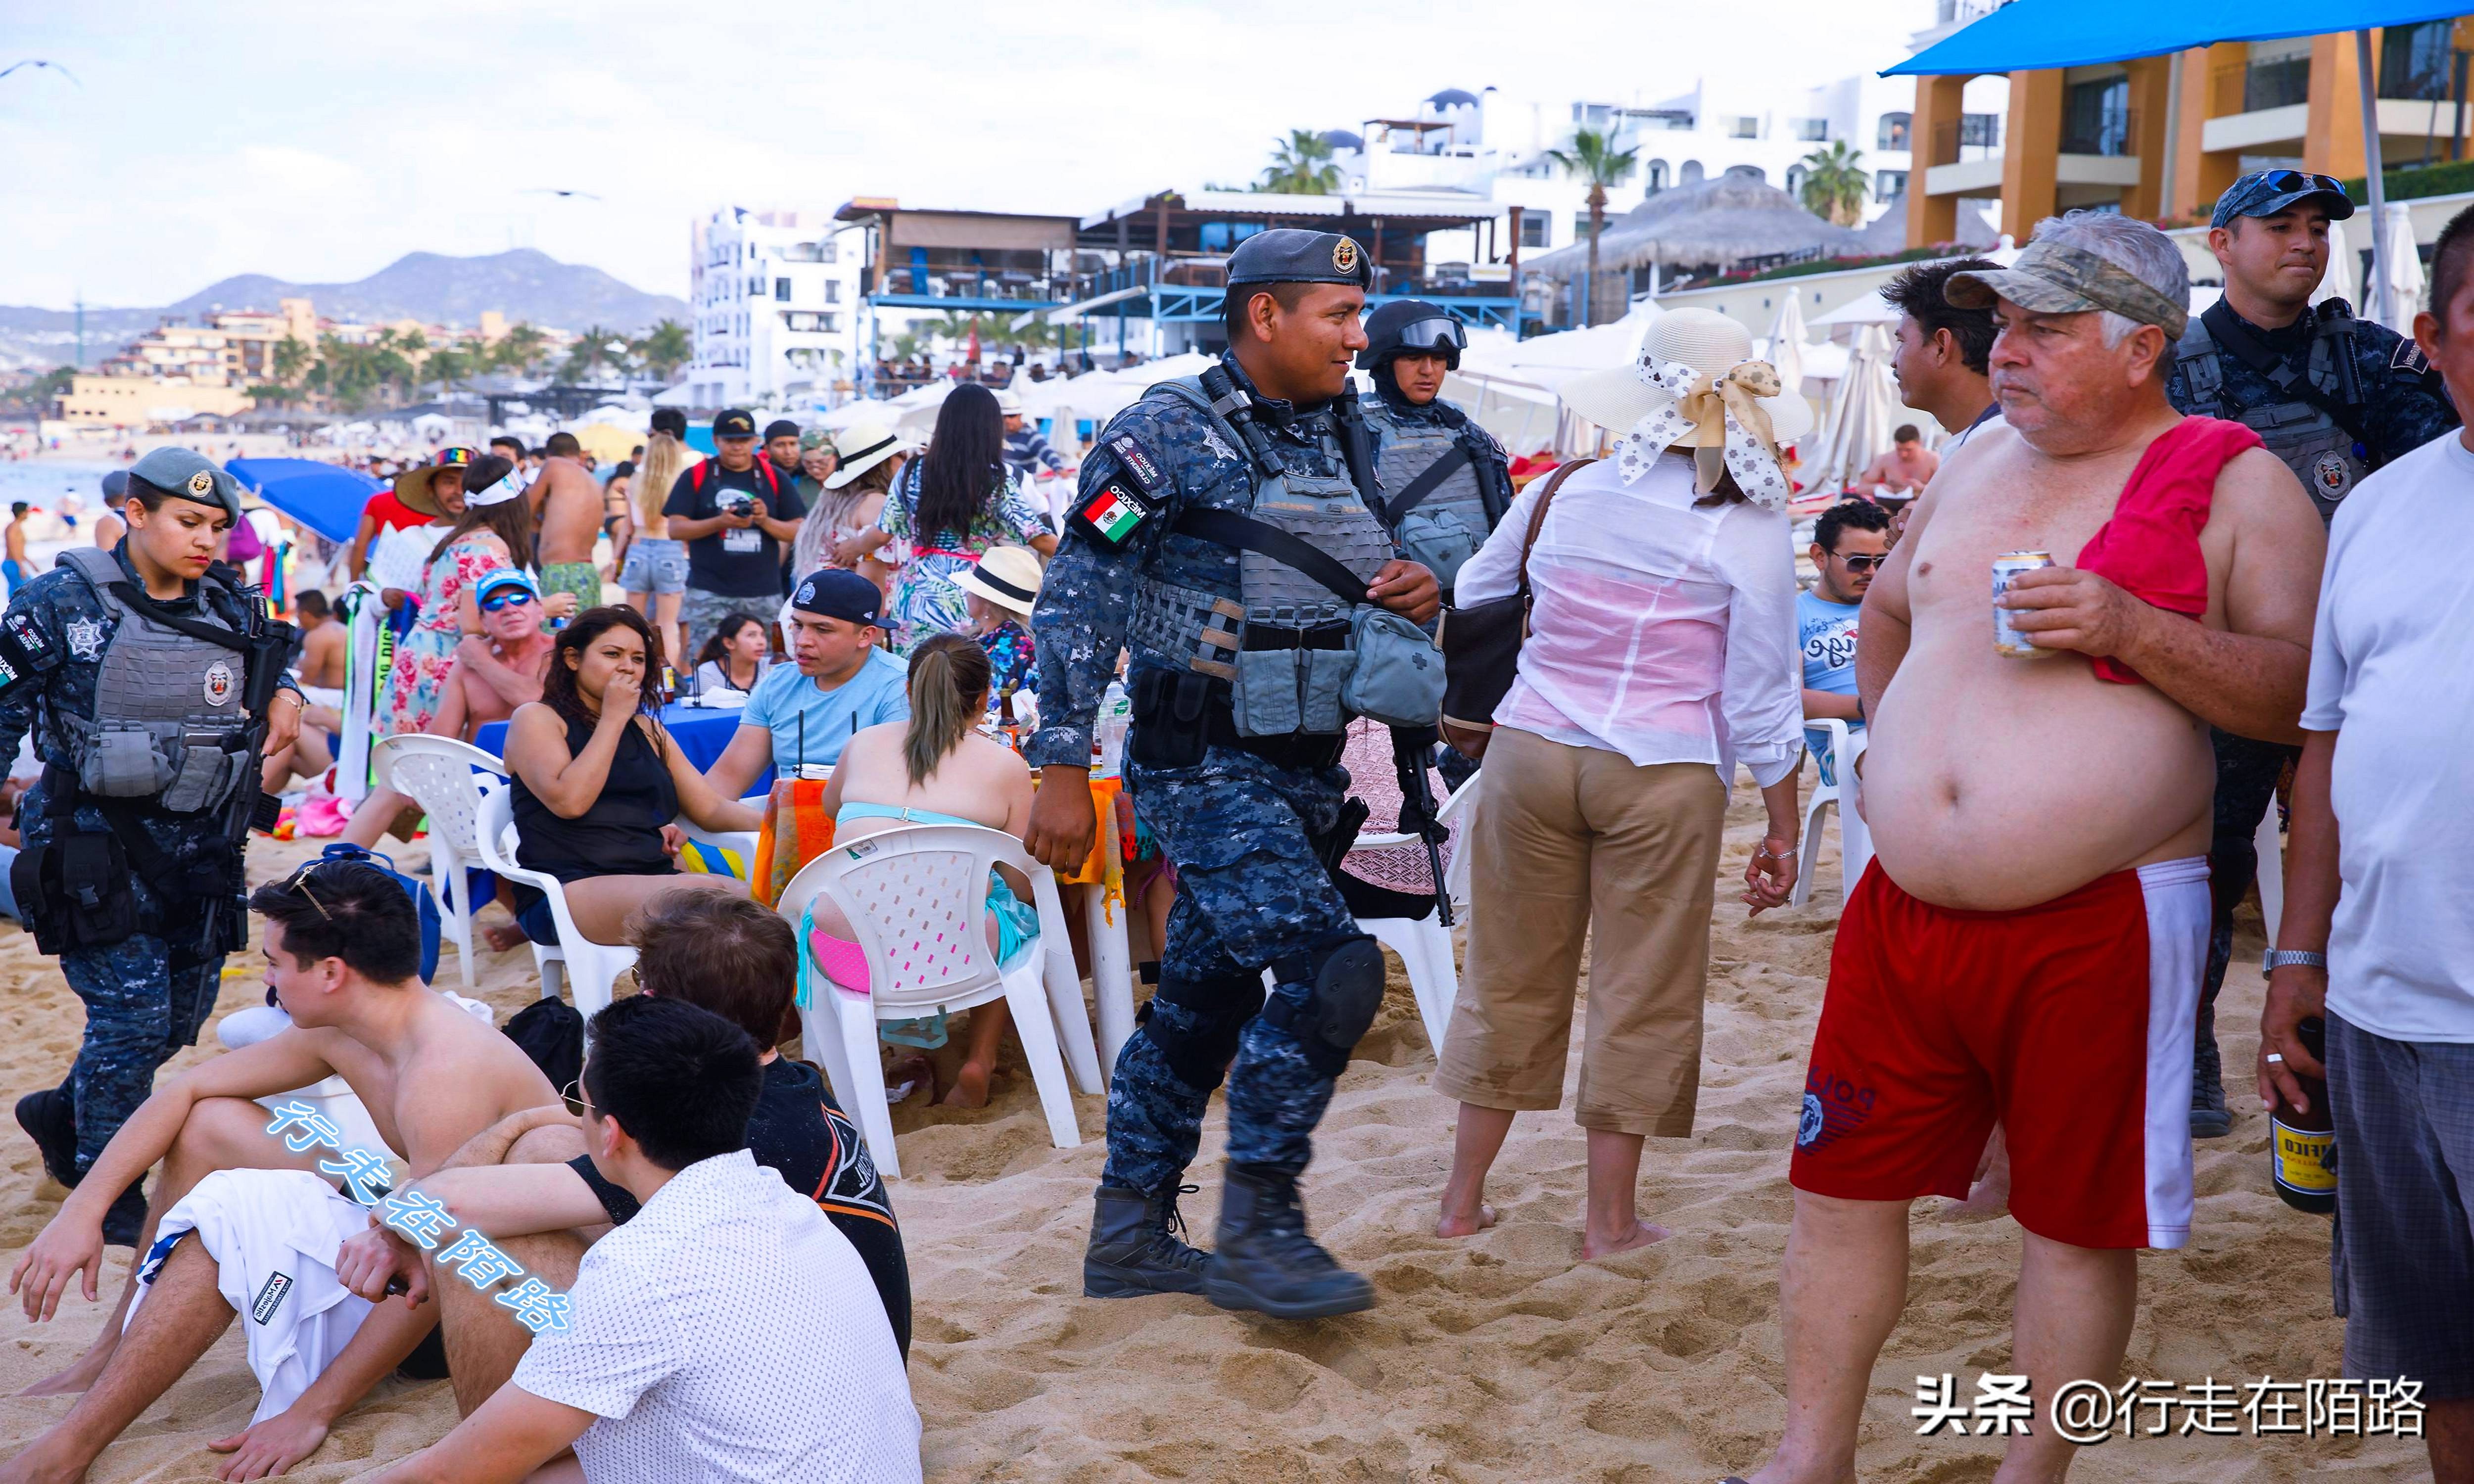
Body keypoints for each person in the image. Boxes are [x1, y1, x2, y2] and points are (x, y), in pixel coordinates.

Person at [1739, 213, 2326, 1484]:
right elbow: (1889, 611)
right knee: (1838, 1182)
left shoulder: (2233, 479)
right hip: (1903, 906)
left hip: (2102, 909)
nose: (2003, 351)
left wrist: (2132, 625)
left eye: (2042, 329)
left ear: (2140, 347)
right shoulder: (1976, 456)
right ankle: (1811, 1454)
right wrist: (1908, 774)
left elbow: (2297, 698)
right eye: (1999, 324)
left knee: (2073, 1217)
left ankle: (2028, 1475)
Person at [1027, 227, 1441, 1320]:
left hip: (1309, 766)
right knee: (1333, 973)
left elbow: (1363, 566)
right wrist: (1060, 763)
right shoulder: (1163, 430)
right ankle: (1261, 1228)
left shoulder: (1350, 434)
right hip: (1198, 758)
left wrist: (1413, 590)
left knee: (1203, 1007)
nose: (1362, 338)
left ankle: (1129, 1236)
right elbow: (1081, 594)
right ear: (1266, 316)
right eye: (1339, 318)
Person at [1430, 307, 1806, 1259]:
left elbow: (1476, 593)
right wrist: (1784, 821)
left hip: (1531, 750)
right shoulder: (1748, 524)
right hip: (1664, 767)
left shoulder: (1565, 489)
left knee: (1508, 976)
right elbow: (1763, 687)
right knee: (1643, 990)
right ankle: (1609, 1224)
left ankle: (1462, 1205)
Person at [0, 860, 562, 1483]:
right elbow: (185, 1093)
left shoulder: (444, 1075)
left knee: (231, 1219)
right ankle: (112, 1347)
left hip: (484, 1306)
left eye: (274, 963)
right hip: (422, 1225)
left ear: (330, 973)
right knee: (212, 1121)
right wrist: (84, 1210)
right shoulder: (353, 1026)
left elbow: (437, 1268)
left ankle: (71, 1447)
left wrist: (314, 1411)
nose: (266, 980)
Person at [2167, 168, 2465, 1141]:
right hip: (2236, 662)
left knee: (2370, 849)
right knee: (2204, 865)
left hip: (2367, 653)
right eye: (2278, 226)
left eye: (2315, 229)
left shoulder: (2374, 360)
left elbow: (2442, 465)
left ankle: (2339, 1056)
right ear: (2221, 243)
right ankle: (2187, 1059)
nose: (2303, 242)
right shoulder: (2170, 368)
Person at [2258, 202, 2474, 1480]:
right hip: (2389, 1014)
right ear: (2429, 343)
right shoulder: (2378, 511)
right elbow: (2325, 747)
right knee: (2436, 1358)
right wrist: (2297, 961)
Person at [358, 996, 923, 1484]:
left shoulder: (641, 1270)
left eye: (577, 1104)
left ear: (610, 1135)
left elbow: (456, 1471)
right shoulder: (786, 1204)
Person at [339, 891, 913, 1359]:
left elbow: (454, 1209)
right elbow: (547, 1132)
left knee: (488, 1243)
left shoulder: (728, 1130)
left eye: (640, 979)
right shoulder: (777, 1087)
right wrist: (411, 1219)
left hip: (804, 1373)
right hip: (808, 1332)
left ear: (660, 1004)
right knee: (543, 1145)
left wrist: (395, 1227)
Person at [0, 448, 304, 1250]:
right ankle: (104, 1175)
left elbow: (278, 654)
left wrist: (288, 698)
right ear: (137, 514)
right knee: (131, 1017)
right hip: (90, 846)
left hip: (200, 845)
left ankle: (62, 1113)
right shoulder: (61, 600)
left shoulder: (228, 601)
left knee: (181, 1016)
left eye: (215, 526)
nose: (205, 538)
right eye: (187, 521)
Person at [809, 634, 1041, 1109]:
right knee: (1006, 907)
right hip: (962, 952)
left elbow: (832, 808)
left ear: (910, 690)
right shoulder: (1006, 766)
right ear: (982, 700)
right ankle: (979, 1060)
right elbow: (1024, 882)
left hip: (850, 957)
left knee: (874, 897)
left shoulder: (863, 744)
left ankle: (901, 1054)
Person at [501, 605, 760, 946]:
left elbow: (709, 809)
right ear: (572, 659)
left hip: (651, 875)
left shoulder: (647, 729)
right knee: (715, 900)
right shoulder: (536, 719)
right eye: (613, 654)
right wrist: (612, 719)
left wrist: (785, 818)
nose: (627, 667)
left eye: (638, 659)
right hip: (568, 888)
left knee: (757, 901)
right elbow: (570, 802)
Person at [843, 384, 1055, 653]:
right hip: (972, 593)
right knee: (963, 681)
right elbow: (1038, 536)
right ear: (990, 429)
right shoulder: (995, 479)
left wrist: (852, 547)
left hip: (916, 591)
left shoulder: (912, 470)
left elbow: (882, 533)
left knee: (918, 680)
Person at [1353, 298, 1514, 602]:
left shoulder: (1472, 435)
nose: (1428, 371)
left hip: (1472, 606)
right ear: (1384, 363)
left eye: (1439, 359)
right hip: (1389, 608)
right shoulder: (1352, 433)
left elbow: (1506, 529)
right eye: (1413, 358)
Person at [705, 569, 910, 792]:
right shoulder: (778, 684)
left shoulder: (901, 686)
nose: (802, 641)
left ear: (866, 636)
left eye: (822, 629)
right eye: (798, 626)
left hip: (868, 823)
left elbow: (892, 792)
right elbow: (724, 784)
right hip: (787, 820)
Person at [664, 409, 806, 665]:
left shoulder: (773, 478)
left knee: (770, 664)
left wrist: (764, 521)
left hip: (763, 591)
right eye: (730, 441)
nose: (737, 447)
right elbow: (675, 529)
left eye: (743, 441)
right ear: (716, 440)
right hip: (709, 590)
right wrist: (719, 522)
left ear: (754, 441)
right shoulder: (697, 476)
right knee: (706, 662)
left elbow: (799, 530)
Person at [1799, 499, 1892, 785]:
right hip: (1844, 744)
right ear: (1820, 556)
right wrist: (1874, 706)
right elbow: (1789, 701)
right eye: (1858, 562)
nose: (1872, 573)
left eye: (1882, 562)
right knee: (1890, 762)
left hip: (1913, 725)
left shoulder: (1896, 608)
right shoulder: (1792, 616)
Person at [1882, 258, 2003, 449]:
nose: (1894, 362)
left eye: (1902, 342)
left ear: (1941, 347)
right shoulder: (1993, 442)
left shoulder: (1993, 454)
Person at [429, 568, 559, 742]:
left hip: (549, 766)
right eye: (494, 604)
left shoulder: (561, 652)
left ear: (540, 611)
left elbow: (540, 705)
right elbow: (440, 739)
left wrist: (482, 662)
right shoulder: (466, 668)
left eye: (520, 599)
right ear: (483, 622)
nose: (509, 609)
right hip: (482, 768)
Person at [617, 429, 690, 669]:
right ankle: (669, 679)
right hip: (672, 549)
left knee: (634, 622)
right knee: (668, 625)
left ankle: (633, 671)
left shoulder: (637, 480)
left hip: (638, 549)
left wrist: (616, 559)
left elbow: (627, 527)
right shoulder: (681, 481)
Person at [348, 448, 472, 582]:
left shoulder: (491, 536)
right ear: (431, 489)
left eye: (467, 483)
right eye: (450, 482)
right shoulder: (408, 540)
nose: (459, 491)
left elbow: (360, 546)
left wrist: (353, 584)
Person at [809, 419, 907, 578]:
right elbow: (872, 583)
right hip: (857, 601)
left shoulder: (837, 500)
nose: (905, 461)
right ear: (885, 462)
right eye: (901, 455)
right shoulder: (876, 504)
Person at [949, 546, 1041, 704]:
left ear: (987, 602)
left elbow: (991, 705)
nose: (966, 594)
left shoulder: (1010, 647)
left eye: (972, 590)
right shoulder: (998, 637)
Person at [529, 432, 606, 621]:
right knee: (585, 642)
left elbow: (524, 509)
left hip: (560, 573)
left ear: (549, 454)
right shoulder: (591, 480)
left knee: (555, 643)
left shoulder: (554, 465)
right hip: (588, 572)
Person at [690, 610, 771, 696]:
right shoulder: (707, 674)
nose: (761, 642)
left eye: (762, 635)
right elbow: (696, 708)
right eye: (751, 635)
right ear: (729, 643)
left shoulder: (772, 667)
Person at [996, 387, 1068, 479]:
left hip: (1023, 488)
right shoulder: (997, 436)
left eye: (1012, 416)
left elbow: (1047, 452)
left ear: (1020, 415)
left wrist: (1058, 468)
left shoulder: (1030, 436)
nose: (1007, 420)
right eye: (1004, 417)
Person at [1855, 424, 1939, 498]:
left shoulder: (1933, 460)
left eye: (1909, 450)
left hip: (1918, 503)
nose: (1903, 454)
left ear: (1920, 443)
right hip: (1889, 503)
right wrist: (1879, 488)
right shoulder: (1884, 459)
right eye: (1899, 449)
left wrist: (1922, 488)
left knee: (1911, 506)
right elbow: (1861, 488)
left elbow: (1946, 489)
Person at [793, 426, 839, 510]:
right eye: (808, 464)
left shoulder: (851, 484)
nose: (815, 470)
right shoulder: (796, 483)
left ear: (835, 457)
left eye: (822, 463)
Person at [5, 501, 33, 590]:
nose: (28, 513)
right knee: (28, 589)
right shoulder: (14, 528)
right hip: (12, 564)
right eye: (27, 511)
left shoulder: (16, 527)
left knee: (23, 590)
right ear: (21, 513)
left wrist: (31, 563)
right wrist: (21, 567)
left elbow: (19, 549)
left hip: (15, 563)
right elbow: (12, 548)